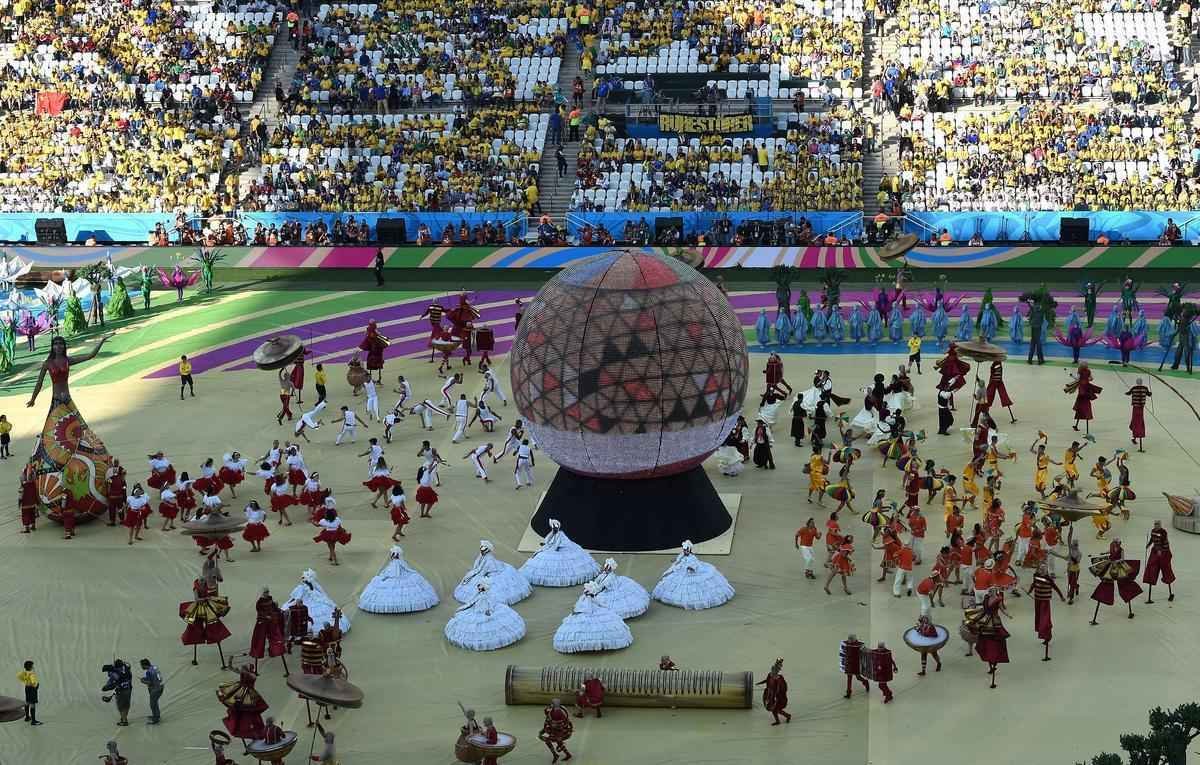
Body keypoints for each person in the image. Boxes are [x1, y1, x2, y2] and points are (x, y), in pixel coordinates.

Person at [25, 334, 115, 521]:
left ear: (64, 346)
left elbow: (90, 356)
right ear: (52, 347)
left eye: (60, 344)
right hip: (57, 403)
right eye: (55, 344)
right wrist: (33, 399)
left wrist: (101, 341)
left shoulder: (67, 360)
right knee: (56, 434)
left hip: (67, 402)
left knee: (81, 432)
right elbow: (39, 382)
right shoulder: (47, 364)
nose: (58, 346)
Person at [1089, 538, 1143, 624]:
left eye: (1117, 543)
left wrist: (1116, 561)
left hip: (1119, 566)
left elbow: (1122, 558)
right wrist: (1104, 554)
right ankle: (1102, 600)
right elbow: (1109, 552)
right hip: (1110, 565)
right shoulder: (1112, 547)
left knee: (1124, 583)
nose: (1116, 544)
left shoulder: (1121, 550)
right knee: (1106, 582)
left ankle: (1129, 607)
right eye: (1115, 542)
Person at [1026, 563, 1065, 661]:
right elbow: (1033, 584)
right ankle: (1045, 636)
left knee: (1045, 620)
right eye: (1041, 568)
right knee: (1039, 618)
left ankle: (1047, 635)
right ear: (1038, 569)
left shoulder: (1048, 578)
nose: (1043, 570)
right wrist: (1030, 591)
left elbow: (1055, 587)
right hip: (1037, 600)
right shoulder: (1036, 576)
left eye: (1044, 568)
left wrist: (1061, 596)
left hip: (1045, 601)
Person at [1143, 520, 1176, 604]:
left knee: (1166, 570)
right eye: (1155, 524)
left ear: (1160, 525)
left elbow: (1164, 542)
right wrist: (1149, 544)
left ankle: (1170, 592)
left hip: (1164, 553)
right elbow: (1152, 539)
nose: (1156, 525)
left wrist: (1161, 550)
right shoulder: (1153, 531)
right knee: (1151, 568)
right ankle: (1150, 586)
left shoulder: (1163, 532)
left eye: (1157, 524)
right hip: (1155, 551)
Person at [1066, 362, 1102, 434]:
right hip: (1087, 390)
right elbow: (1091, 379)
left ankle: (1082, 428)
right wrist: (1086, 380)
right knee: (1084, 407)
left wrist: (1071, 375)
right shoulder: (1088, 371)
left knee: (1082, 408)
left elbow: (1077, 379)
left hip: (1082, 392)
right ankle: (1077, 426)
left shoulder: (1080, 371)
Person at [538, 698, 573, 763]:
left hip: (560, 731)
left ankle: (555, 755)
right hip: (554, 730)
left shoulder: (559, 712)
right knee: (557, 741)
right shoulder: (552, 711)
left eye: (552, 703)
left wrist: (567, 728)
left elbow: (566, 722)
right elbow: (547, 715)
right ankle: (567, 754)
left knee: (550, 741)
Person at [101, 660, 133, 726]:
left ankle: (124, 721)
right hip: (128, 690)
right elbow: (127, 664)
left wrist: (106, 687)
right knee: (126, 705)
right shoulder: (127, 671)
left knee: (121, 707)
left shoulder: (116, 674)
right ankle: (124, 717)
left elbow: (112, 683)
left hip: (121, 691)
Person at [1124, 378, 1151, 451]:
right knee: (1139, 422)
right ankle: (1136, 436)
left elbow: (1128, 393)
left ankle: (1134, 437)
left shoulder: (1134, 388)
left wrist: (1127, 393)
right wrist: (1150, 393)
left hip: (1135, 408)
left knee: (1136, 422)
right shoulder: (1145, 388)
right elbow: (1149, 394)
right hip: (1141, 408)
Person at [138, 658, 164, 724]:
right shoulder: (154, 667)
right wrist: (146, 678)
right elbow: (154, 677)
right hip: (161, 686)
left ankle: (155, 719)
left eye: (141, 665)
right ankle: (157, 715)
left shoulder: (148, 672)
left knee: (152, 704)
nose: (141, 667)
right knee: (155, 702)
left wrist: (142, 681)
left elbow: (149, 682)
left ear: (145, 665)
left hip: (155, 689)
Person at [18, 660, 41, 725]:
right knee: (33, 704)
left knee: (27, 701)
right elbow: (33, 682)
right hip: (32, 689)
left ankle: (27, 717)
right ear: (31, 667)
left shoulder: (24, 673)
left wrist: (25, 681)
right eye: (32, 666)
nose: (33, 667)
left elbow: (19, 676)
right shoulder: (32, 674)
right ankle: (33, 721)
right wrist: (36, 686)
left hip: (27, 688)